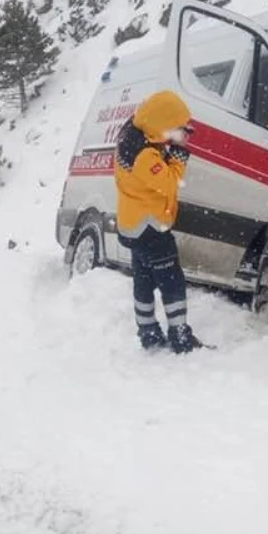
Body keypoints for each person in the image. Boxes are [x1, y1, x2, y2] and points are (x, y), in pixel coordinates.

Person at [114, 90, 204, 354]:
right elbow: (169, 184)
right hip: (150, 228)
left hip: (133, 225)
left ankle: (148, 332)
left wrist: (168, 139)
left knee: (143, 280)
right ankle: (180, 335)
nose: (182, 133)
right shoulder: (144, 156)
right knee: (171, 279)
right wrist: (178, 155)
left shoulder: (133, 135)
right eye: (177, 128)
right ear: (161, 124)